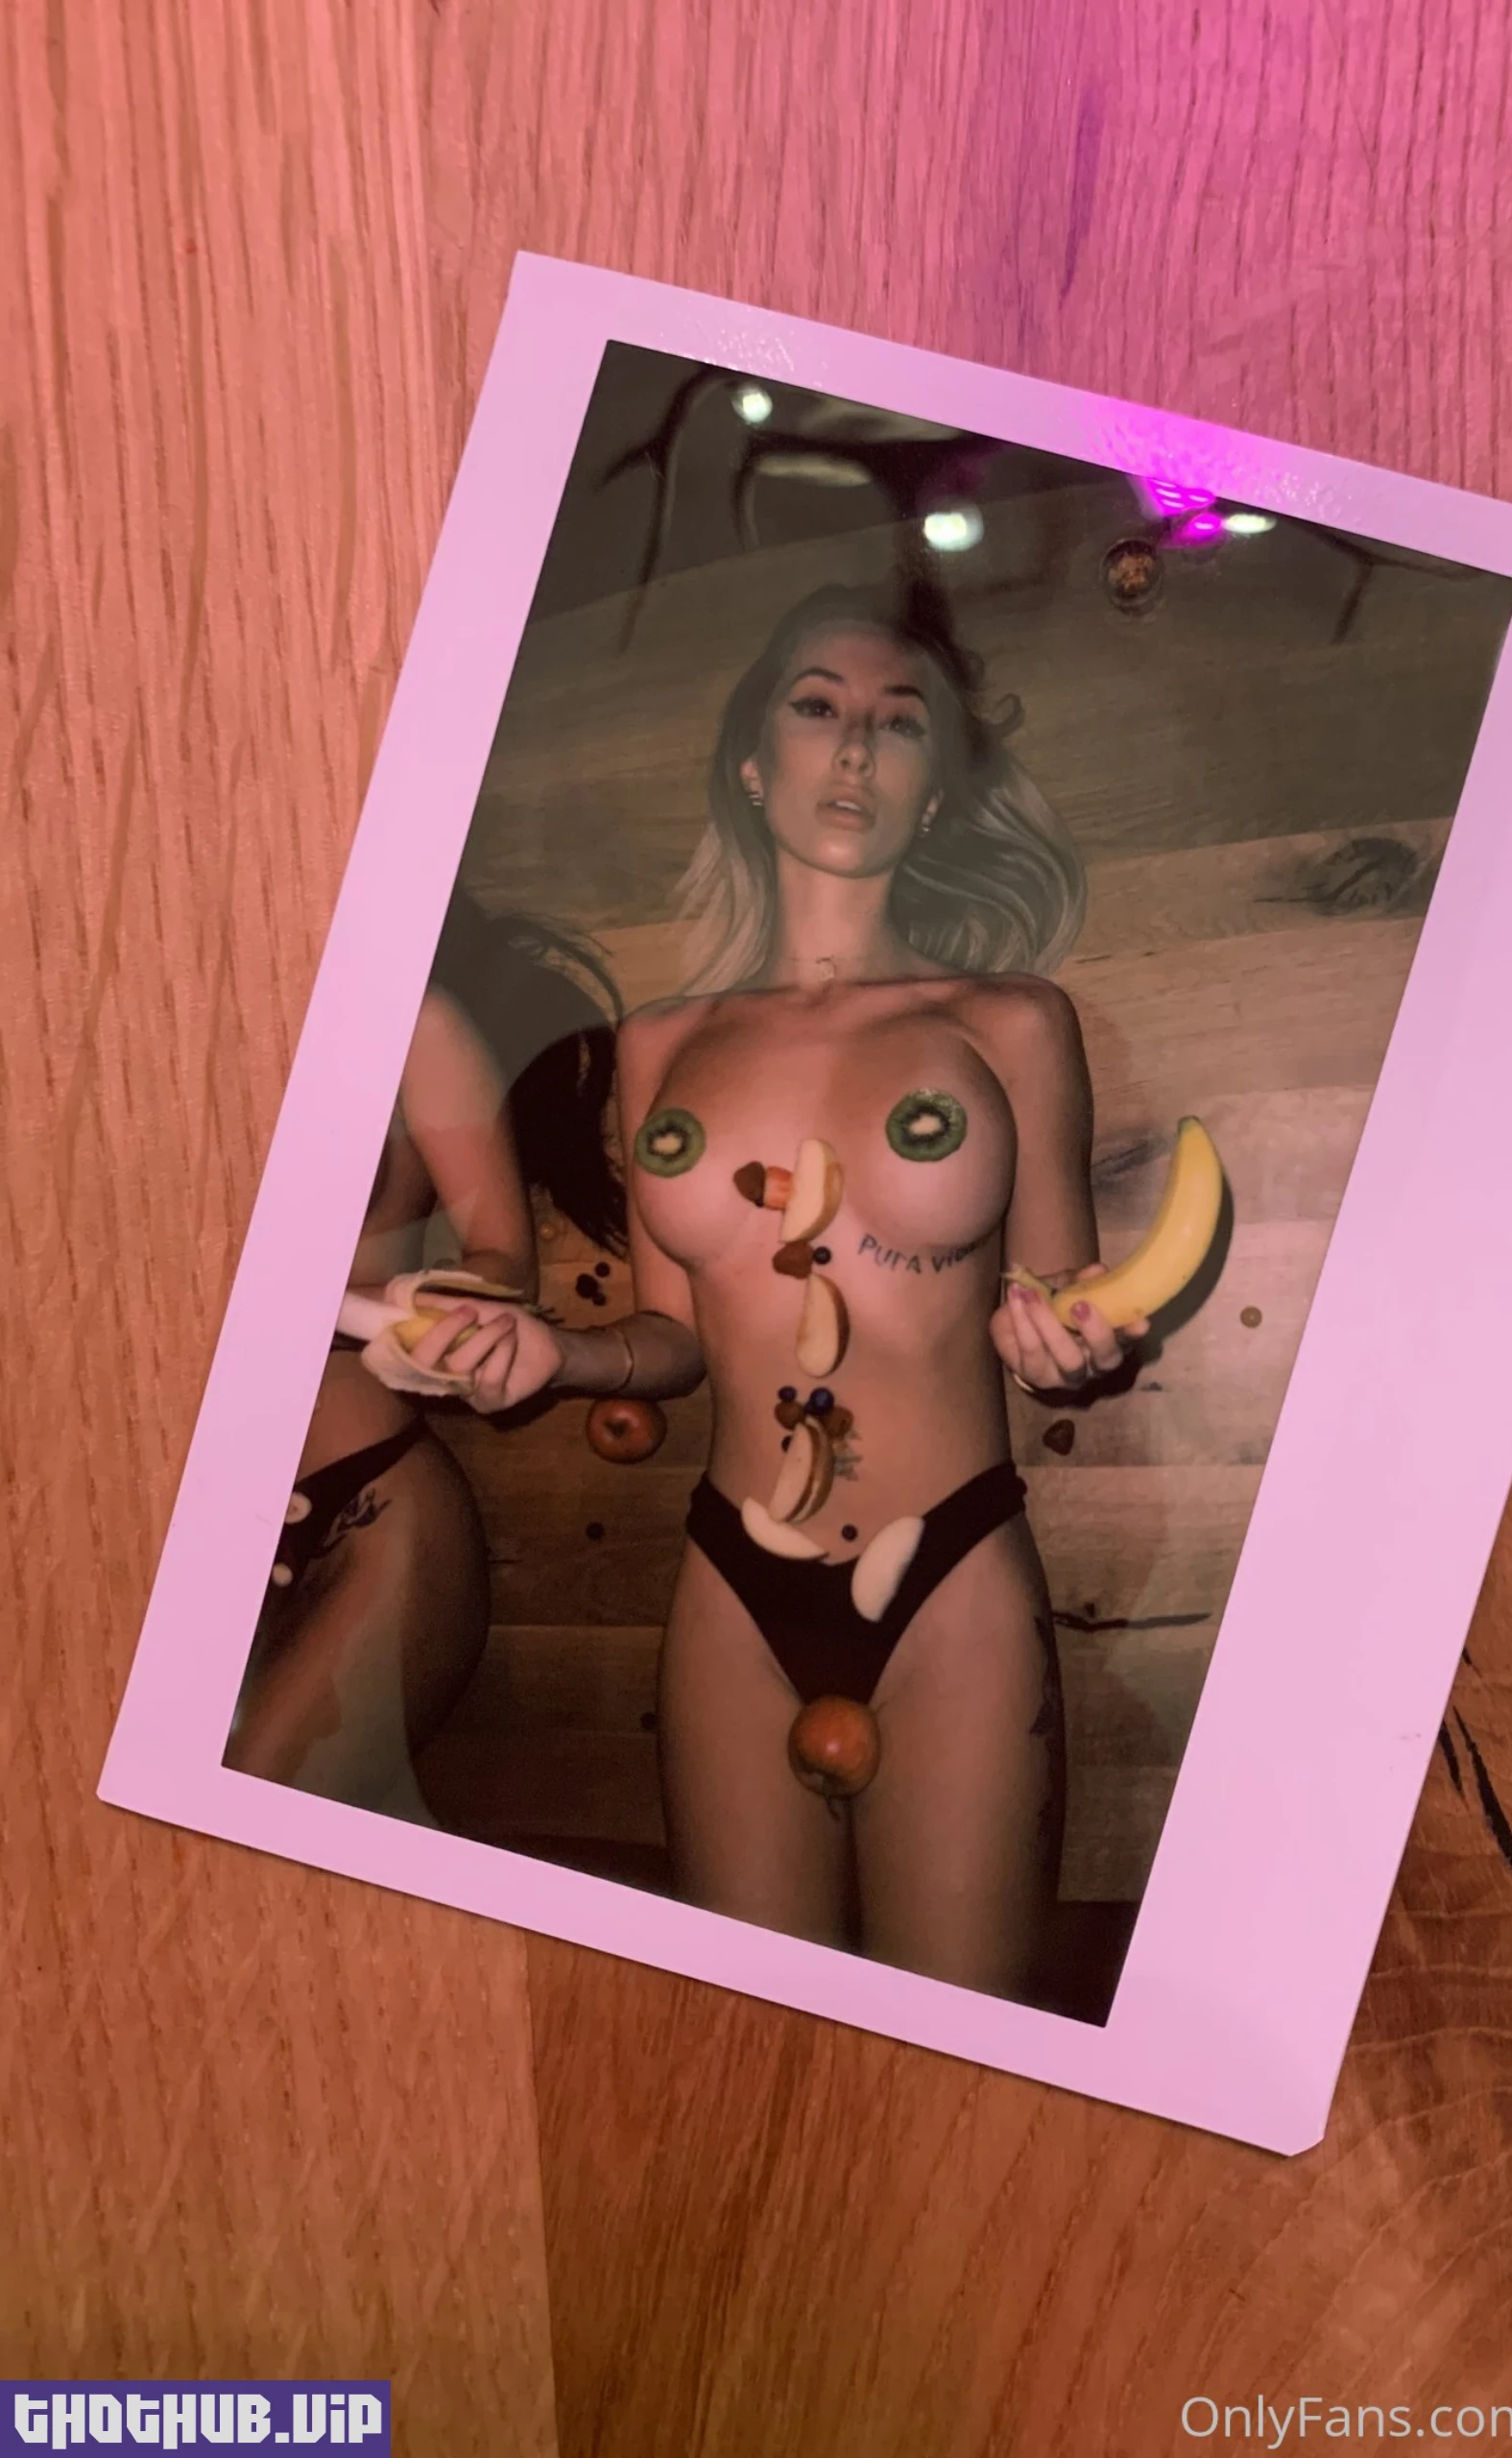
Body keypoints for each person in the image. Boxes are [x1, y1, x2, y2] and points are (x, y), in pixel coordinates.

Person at [615, 579, 1144, 2000]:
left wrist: (1073, 1342)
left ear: (939, 788)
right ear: (752, 763)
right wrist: (553, 1357)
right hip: (730, 1582)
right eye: (818, 707)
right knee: (747, 2042)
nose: (855, 745)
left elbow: (1064, 1296)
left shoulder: (1011, 1021)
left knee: (960, 2047)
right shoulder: (656, 1044)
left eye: (901, 723)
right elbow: (667, 1338)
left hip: (954, 1575)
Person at [224, 894, 697, 1822]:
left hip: (359, 1506)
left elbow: (501, 1260)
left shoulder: (414, 1023)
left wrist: (425, 1306)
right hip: (173, 1523)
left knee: (238, 1830)